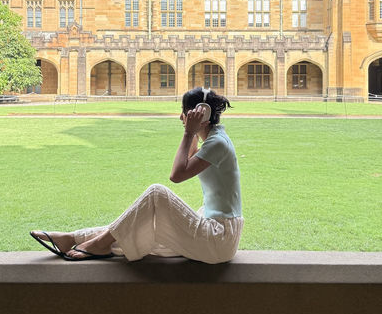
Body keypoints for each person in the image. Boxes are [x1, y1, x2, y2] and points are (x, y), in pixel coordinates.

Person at [30, 86, 243, 263]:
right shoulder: (215, 138)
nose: (181, 117)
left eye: (184, 112)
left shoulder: (217, 143)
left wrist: (189, 132)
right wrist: (194, 131)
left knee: (156, 193)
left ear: (201, 113)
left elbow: (177, 174)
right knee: (140, 224)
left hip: (218, 239)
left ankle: (99, 244)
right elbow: (188, 158)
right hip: (216, 230)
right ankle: (73, 237)